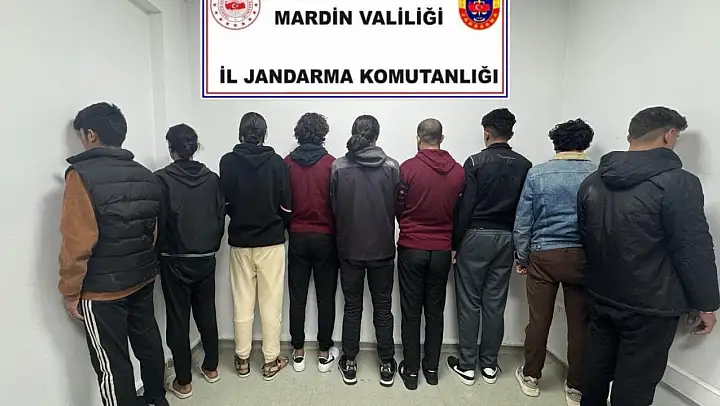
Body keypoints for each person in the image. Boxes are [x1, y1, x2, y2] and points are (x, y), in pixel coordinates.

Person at [577, 107, 720, 406]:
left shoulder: (593, 181)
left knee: (595, 369)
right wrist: (707, 303)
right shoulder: (679, 183)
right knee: (635, 386)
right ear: (669, 135)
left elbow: (585, 236)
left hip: (602, 293)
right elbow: (692, 248)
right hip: (651, 305)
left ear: (631, 136)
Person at [58, 102, 168, 406]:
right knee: (149, 344)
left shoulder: (80, 175)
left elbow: (77, 241)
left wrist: (70, 292)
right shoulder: (145, 175)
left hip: (102, 290)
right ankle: (157, 400)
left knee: (111, 363)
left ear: (91, 135)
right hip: (142, 278)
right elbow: (154, 233)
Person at [512, 119, 596, 406]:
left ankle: (531, 377)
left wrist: (522, 257)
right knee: (580, 325)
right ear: (585, 143)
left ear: (555, 143)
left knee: (538, 320)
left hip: (543, 255)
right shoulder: (597, 174)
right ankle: (575, 387)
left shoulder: (538, 174)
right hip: (582, 257)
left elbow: (524, 220)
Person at [447, 108, 532, 385]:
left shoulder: (474, 162)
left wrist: (455, 243)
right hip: (507, 237)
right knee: (495, 303)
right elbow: (525, 210)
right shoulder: (525, 165)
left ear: (486, 132)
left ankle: (467, 365)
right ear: (511, 132)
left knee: (469, 302)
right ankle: (489, 366)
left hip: (476, 236)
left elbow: (465, 207)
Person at [219, 112, 292, 381]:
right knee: (271, 303)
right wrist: (277, 225)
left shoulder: (227, 162)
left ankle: (242, 359)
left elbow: (225, 203)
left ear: (241, 133)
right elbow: (287, 206)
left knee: (242, 301)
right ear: (264, 134)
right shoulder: (276, 162)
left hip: (240, 241)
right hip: (271, 241)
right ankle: (271, 360)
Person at [155, 124, 224, 399]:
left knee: (177, 318)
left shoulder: (160, 179)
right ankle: (211, 368)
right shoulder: (213, 179)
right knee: (207, 312)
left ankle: (183, 382)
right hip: (206, 257)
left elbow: (157, 223)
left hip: (174, 259)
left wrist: (158, 253)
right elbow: (220, 216)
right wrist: (212, 246)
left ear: (171, 148)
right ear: (195, 148)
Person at [395, 119, 465, 390]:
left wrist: (409, 225)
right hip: (442, 250)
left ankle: (411, 372)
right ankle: (432, 370)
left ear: (418, 138)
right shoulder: (458, 172)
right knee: (435, 312)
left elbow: (398, 207)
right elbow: (459, 212)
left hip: (412, 247)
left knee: (411, 312)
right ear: (441, 138)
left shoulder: (407, 168)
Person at [332, 115, 400, 387]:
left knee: (352, 307)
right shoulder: (392, 167)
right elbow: (397, 207)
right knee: (383, 307)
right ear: (376, 136)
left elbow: (334, 207)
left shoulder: (338, 167)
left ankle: (349, 362)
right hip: (382, 249)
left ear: (354, 133)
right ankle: (386, 363)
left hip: (349, 248)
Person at [284, 113, 340, 373]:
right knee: (325, 297)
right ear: (322, 134)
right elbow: (338, 205)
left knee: (297, 297)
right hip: (326, 238)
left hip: (297, 236)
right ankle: (324, 353)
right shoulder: (332, 164)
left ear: (299, 133)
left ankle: (297, 352)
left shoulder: (287, 163)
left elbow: (283, 202)